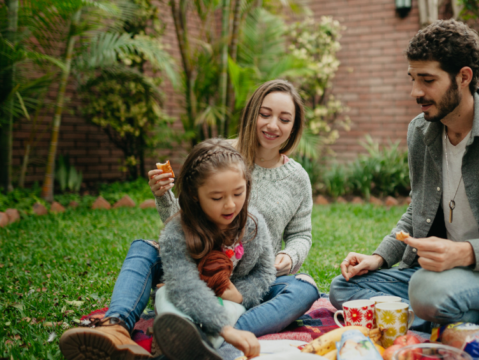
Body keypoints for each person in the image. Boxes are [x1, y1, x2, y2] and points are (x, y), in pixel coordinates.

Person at [329, 19, 479, 344]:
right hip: (438, 275)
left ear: (463, 77)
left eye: (428, 80)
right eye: (412, 79)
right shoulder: (420, 132)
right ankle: (468, 325)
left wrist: (464, 253)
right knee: (345, 289)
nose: (415, 92)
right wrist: (378, 258)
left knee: (426, 292)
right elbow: (416, 209)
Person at [59, 80, 318, 359]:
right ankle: (116, 326)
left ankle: (211, 333)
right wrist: (163, 196)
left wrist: (289, 257)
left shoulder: (297, 179)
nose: (272, 125)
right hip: (194, 262)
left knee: (304, 287)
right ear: (251, 113)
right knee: (145, 248)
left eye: (284, 118)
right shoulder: (221, 155)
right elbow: (184, 223)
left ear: (294, 126)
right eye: (264, 114)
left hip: (245, 279)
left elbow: (301, 234)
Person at [153, 138, 273, 360]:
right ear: (194, 195)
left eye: (238, 193)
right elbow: (184, 285)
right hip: (191, 300)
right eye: (217, 198)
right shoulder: (177, 230)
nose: (230, 205)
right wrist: (224, 328)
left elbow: (266, 271)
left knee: (302, 287)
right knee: (164, 294)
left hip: (232, 303)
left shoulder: (254, 224)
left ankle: (194, 344)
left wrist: (239, 295)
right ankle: (201, 339)